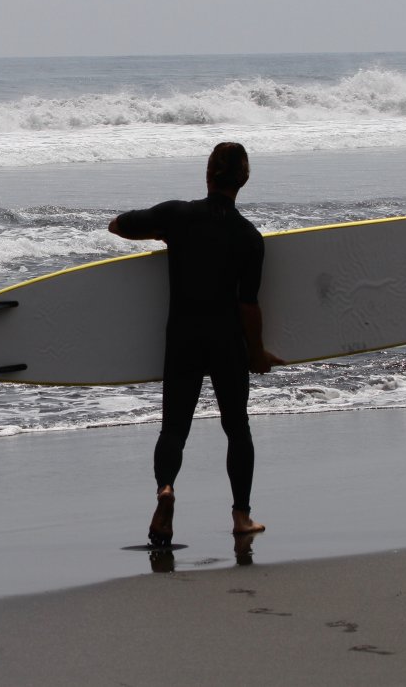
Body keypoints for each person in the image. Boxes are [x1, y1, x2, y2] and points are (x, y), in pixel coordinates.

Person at [108, 142, 281, 546]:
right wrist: (256, 352)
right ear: (244, 180)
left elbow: (118, 225)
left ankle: (165, 490)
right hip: (226, 340)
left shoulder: (177, 216)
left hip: (183, 335)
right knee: (237, 428)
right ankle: (241, 516)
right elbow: (248, 304)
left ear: (207, 174)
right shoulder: (249, 237)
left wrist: (161, 232)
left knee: (174, 428)